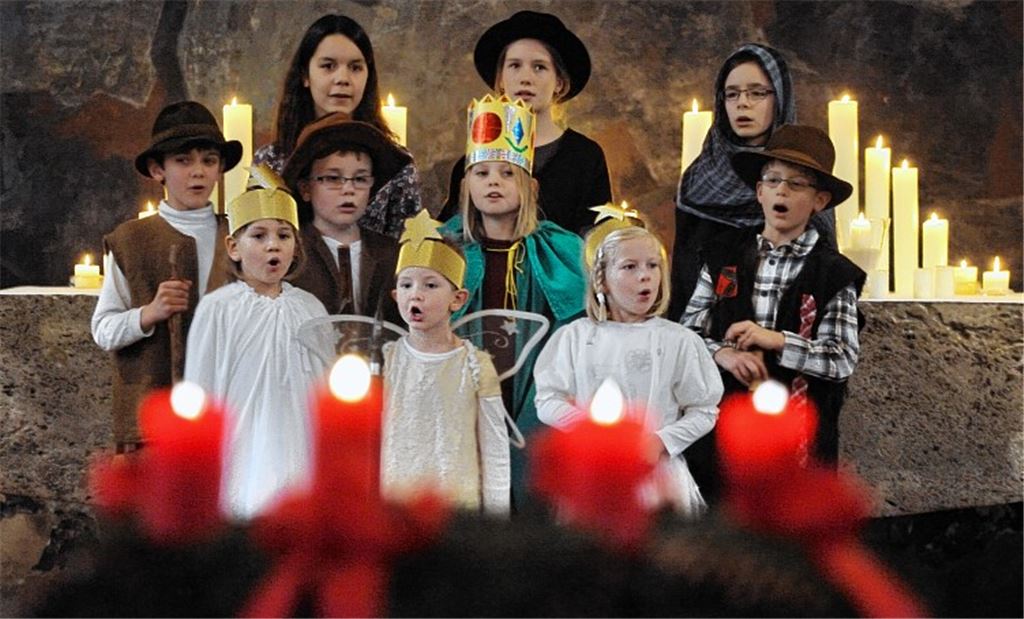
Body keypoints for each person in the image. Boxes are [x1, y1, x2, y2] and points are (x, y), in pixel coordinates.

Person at [681, 124, 865, 502]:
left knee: (790, 532)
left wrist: (777, 340)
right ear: (760, 191)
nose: (782, 190)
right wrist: (722, 353)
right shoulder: (722, 258)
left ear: (820, 201)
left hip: (800, 439)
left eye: (797, 184)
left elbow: (841, 358)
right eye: (774, 180)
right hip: (723, 433)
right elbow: (687, 333)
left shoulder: (833, 274)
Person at [440, 94, 586, 509]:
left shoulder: (560, 251)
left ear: (530, 186)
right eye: (482, 172)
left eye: (507, 172)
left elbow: (569, 335)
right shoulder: (444, 246)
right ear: (466, 184)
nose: (493, 182)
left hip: (532, 393)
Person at [533, 206, 723, 515]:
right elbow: (548, 399)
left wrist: (660, 442)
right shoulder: (576, 338)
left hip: (657, 475)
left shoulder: (678, 340)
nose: (645, 275)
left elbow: (703, 409)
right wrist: (596, 436)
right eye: (630, 267)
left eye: (653, 265)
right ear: (602, 280)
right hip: (593, 473)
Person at [91, 101, 240, 451]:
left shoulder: (238, 236)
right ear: (158, 170)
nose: (198, 172)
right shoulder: (131, 240)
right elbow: (103, 330)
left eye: (209, 160)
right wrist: (149, 313)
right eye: (183, 161)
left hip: (226, 409)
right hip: (153, 417)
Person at [184, 166, 329, 519]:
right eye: (259, 236)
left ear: (296, 247)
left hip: (299, 436)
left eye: (283, 235)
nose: (273, 245)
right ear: (233, 247)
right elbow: (200, 387)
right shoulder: (218, 308)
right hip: (241, 437)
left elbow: (326, 383)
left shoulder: (310, 307)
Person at [670, 44, 837, 319]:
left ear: (780, 98)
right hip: (702, 338)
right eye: (731, 94)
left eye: (757, 93)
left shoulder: (806, 176)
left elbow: (822, 275)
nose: (742, 103)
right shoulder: (699, 180)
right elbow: (683, 278)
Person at [381, 210, 511, 516]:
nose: (416, 295)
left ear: (458, 298)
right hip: (395, 507)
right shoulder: (387, 360)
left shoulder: (476, 366)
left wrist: (496, 520)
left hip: (456, 511)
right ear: (395, 294)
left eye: (430, 285)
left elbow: (494, 449)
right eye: (407, 285)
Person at [439, 10, 611, 235]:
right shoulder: (474, 163)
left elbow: (595, 242)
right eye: (514, 65)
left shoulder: (585, 157)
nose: (525, 78)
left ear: (559, 82)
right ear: (500, 79)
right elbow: (452, 240)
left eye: (539, 67)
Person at [253, 14, 420, 238]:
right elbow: (256, 241)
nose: (343, 78)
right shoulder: (270, 162)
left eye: (355, 67)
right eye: (328, 66)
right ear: (305, 75)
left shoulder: (395, 164)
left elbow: (408, 248)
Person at [281, 112, 407, 324]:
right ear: (305, 188)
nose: (348, 189)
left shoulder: (393, 254)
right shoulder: (291, 253)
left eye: (360, 179)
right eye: (332, 178)